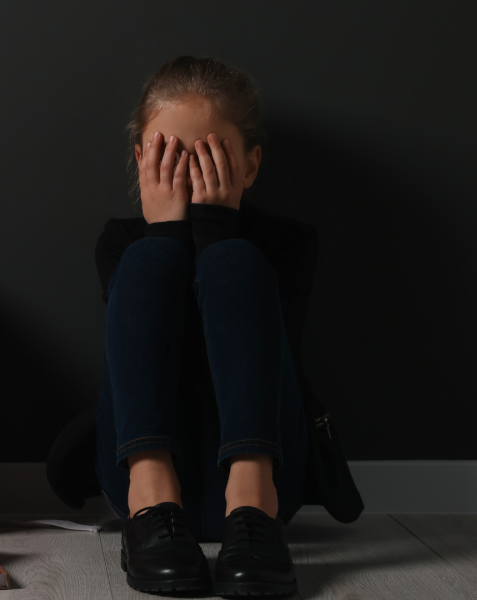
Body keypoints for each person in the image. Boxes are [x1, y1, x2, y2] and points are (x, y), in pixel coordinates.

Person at [93, 55, 313, 597]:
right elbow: (139, 353)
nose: (188, 175)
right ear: (141, 158)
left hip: (264, 475)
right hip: (144, 476)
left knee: (234, 262)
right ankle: (149, 499)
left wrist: (218, 235)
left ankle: (254, 506)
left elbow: (270, 350)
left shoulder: (286, 242)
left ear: (249, 165)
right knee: (144, 263)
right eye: (169, 156)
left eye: (207, 157)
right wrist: (165, 236)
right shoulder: (120, 241)